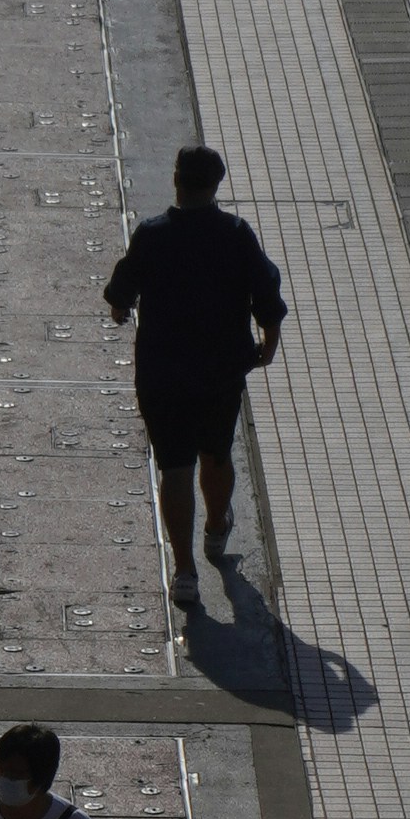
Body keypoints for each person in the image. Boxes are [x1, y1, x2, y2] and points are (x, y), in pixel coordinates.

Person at [102, 146, 286, 610]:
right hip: (219, 372)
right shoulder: (235, 234)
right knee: (217, 453)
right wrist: (268, 341)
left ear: (175, 179)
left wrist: (122, 308)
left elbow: (121, 293)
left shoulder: (152, 234)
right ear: (216, 184)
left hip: (163, 372)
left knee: (175, 468)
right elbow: (266, 291)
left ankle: (184, 571)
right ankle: (215, 527)